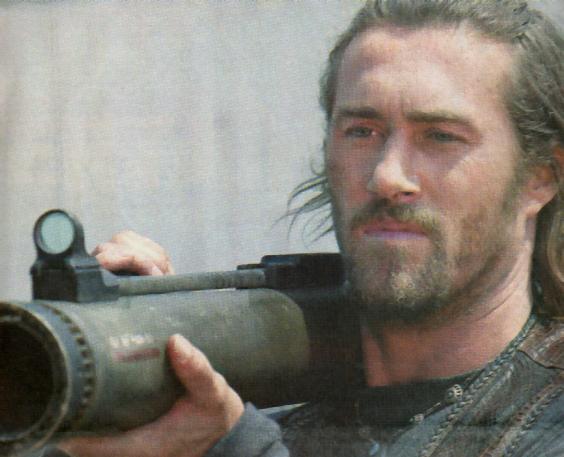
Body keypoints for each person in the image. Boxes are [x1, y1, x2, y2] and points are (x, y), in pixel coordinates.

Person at [47, 0, 563, 456]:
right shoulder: (272, 419)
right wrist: (130, 382)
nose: (387, 176)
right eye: (362, 131)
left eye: (441, 136)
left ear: (541, 177)